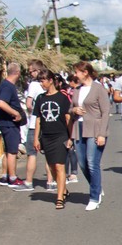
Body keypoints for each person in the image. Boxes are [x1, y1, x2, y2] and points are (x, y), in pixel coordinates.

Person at [71, 61, 110, 211]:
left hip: (95, 128)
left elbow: (106, 112)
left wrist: (101, 134)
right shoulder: (77, 90)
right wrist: (74, 110)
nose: (75, 75)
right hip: (79, 127)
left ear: (85, 72)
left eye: (77, 72)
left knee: (92, 162)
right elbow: (70, 108)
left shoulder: (98, 89)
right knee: (82, 163)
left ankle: (94, 196)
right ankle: (97, 186)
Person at [32, 69, 72, 209]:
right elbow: (38, 119)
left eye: (43, 81)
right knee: (51, 167)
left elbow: (68, 118)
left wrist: (70, 137)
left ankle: (59, 197)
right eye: (40, 81)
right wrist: (36, 138)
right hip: (46, 136)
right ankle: (64, 190)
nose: (41, 84)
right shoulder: (40, 98)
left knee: (59, 165)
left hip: (60, 135)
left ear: (50, 80)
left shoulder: (62, 98)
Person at [13, 60, 50, 191]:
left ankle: (28, 182)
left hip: (35, 123)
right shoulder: (50, 83)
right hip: (49, 123)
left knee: (32, 154)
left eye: (31, 71)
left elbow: (29, 103)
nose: (30, 74)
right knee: (49, 154)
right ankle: (51, 182)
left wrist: (31, 113)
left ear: (37, 70)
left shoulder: (34, 85)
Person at [0, 62, 26, 188]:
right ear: (17, 73)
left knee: (8, 150)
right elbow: (1, 103)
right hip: (9, 123)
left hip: (5, 123)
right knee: (12, 151)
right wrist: (16, 114)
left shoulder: (4, 84)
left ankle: (5, 176)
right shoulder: (8, 86)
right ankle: (12, 178)